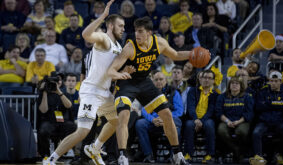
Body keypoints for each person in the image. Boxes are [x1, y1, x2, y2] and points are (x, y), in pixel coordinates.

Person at [42, 1, 128, 165]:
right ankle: (51, 159)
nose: (123, 29)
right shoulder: (103, 38)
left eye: (124, 26)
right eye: (120, 25)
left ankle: (95, 148)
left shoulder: (118, 45)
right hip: (91, 91)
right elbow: (86, 35)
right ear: (110, 26)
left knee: (117, 122)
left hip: (105, 92)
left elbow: (112, 72)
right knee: (83, 131)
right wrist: (102, 17)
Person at [107, 16, 193, 165]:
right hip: (126, 82)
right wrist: (122, 73)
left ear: (149, 33)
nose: (137, 35)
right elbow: (111, 70)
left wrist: (193, 54)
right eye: (135, 31)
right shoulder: (130, 47)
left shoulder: (159, 43)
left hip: (145, 82)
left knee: (166, 114)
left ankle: (177, 154)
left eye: (140, 31)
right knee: (124, 115)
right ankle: (122, 156)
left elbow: (176, 55)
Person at [135, 71, 183, 163]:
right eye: (156, 80)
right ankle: (149, 155)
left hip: (170, 120)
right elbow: (144, 110)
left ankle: (174, 155)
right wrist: (152, 119)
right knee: (140, 124)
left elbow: (179, 111)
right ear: (152, 82)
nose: (158, 82)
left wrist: (165, 118)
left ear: (166, 80)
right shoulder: (148, 93)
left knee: (177, 122)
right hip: (154, 122)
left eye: (161, 79)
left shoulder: (174, 92)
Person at [251, 71, 283, 164]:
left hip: (279, 121)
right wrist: (278, 104)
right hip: (264, 121)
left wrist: (269, 104)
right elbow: (259, 107)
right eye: (271, 81)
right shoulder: (262, 92)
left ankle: (280, 155)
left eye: (276, 81)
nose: (273, 83)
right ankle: (259, 157)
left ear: (280, 81)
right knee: (256, 132)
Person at [37, 71, 76, 159]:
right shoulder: (43, 94)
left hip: (62, 121)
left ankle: (65, 150)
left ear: (61, 82)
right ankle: (46, 154)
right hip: (49, 121)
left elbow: (69, 105)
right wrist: (44, 92)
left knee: (72, 127)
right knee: (43, 130)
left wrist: (59, 92)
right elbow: (43, 110)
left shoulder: (64, 93)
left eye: (58, 81)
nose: (57, 83)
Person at [184, 70, 219, 163]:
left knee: (209, 125)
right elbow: (190, 107)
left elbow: (211, 111)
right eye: (204, 77)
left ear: (213, 81)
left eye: (209, 78)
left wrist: (201, 121)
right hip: (193, 118)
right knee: (188, 125)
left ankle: (209, 155)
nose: (206, 80)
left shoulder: (215, 94)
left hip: (207, 119)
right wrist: (196, 119)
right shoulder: (192, 91)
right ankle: (188, 154)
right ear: (200, 79)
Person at [216, 76, 254, 163]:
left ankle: (240, 152)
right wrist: (227, 121)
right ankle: (236, 150)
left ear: (241, 86)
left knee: (241, 131)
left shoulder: (247, 97)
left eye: (237, 83)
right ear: (229, 85)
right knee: (221, 130)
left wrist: (238, 122)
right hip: (226, 121)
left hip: (242, 121)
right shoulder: (222, 97)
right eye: (232, 83)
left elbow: (249, 113)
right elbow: (218, 112)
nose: (234, 85)